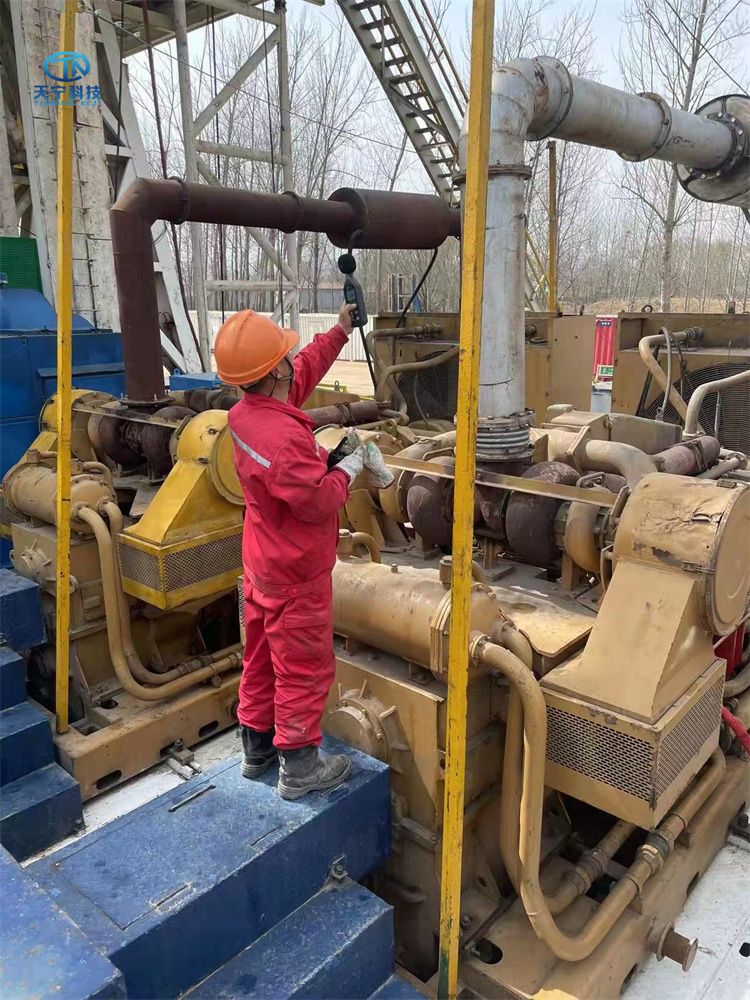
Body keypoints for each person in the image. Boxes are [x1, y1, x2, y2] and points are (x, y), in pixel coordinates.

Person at [214, 303, 393, 800]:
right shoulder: (285, 439)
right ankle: (299, 769)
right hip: (297, 574)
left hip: (262, 564)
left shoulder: (248, 413)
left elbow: (306, 368)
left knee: (260, 659)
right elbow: (317, 503)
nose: (294, 361)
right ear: (274, 371)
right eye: (285, 356)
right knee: (303, 668)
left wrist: (340, 330)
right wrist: (347, 467)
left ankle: (256, 751)